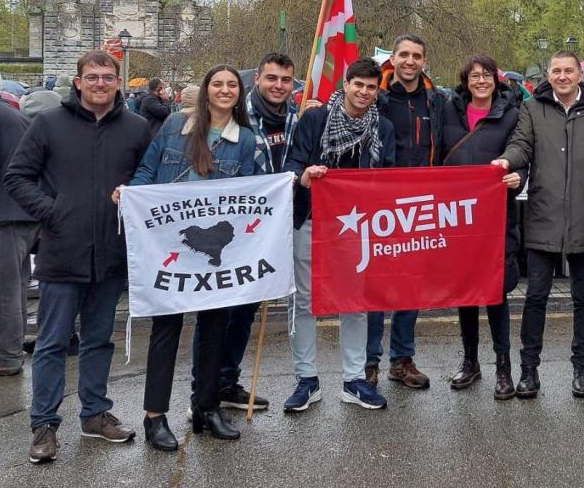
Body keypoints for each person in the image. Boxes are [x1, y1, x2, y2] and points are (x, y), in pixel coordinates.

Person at [5, 50, 150, 463]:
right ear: (78, 81)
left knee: (99, 339)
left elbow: (148, 180)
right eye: (93, 77)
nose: (100, 83)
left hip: (110, 253)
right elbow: (17, 176)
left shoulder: (136, 128)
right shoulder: (48, 124)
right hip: (61, 252)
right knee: (51, 343)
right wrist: (53, 211)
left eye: (108, 77)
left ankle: (95, 413)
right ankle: (44, 424)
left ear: (119, 82)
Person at [117, 64, 257, 451]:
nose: (225, 90)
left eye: (232, 85)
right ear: (206, 90)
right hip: (171, 246)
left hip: (216, 251)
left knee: (215, 328)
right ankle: (154, 417)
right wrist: (131, 195)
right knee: (167, 330)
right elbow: (147, 171)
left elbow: (249, 192)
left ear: (238, 93)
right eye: (218, 84)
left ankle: (206, 407)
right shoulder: (175, 126)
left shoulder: (244, 139)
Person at [186, 53, 301, 416]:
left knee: (247, 309)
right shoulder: (241, 116)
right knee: (219, 310)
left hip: (278, 223)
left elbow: (302, 154)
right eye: (272, 78)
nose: (278, 86)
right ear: (258, 81)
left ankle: (227, 381)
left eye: (285, 80)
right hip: (234, 227)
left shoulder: (299, 116)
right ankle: (203, 389)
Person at [282, 57, 395, 412]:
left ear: (377, 92)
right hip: (312, 220)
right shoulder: (314, 120)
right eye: (357, 85)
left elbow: (389, 175)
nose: (363, 92)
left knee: (355, 303)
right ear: (345, 84)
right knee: (304, 301)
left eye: (371, 87)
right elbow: (292, 164)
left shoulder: (384, 129)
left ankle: (354, 379)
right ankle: (306, 379)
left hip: (357, 227)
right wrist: (305, 176)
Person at [494, 50, 584, 399]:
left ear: (580, 74)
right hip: (543, 216)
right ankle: (529, 370)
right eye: (556, 71)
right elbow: (521, 146)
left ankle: (582, 369)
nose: (562, 76)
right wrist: (507, 162)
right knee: (536, 297)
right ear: (549, 75)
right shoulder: (533, 108)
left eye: (568, 70)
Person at [439, 54, 524, 400]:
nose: (480, 81)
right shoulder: (449, 112)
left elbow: (522, 153)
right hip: (458, 216)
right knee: (466, 293)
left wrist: (520, 175)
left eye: (486, 75)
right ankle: (470, 361)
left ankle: (503, 368)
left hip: (495, 215)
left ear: (495, 79)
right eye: (474, 76)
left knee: (496, 293)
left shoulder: (512, 115)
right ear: (465, 81)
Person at [366, 34, 446, 390]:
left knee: (410, 285)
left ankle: (402, 359)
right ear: (392, 59)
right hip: (380, 203)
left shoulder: (437, 101)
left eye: (416, 55)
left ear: (424, 61)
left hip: (421, 203)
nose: (409, 61)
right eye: (403, 55)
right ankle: (369, 362)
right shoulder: (376, 100)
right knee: (376, 287)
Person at [0, 65, 35, 377]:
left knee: (3, 288)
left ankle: (5, 356)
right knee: (14, 284)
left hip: (2, 213)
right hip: (22, 212)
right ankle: (12, 346)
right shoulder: (10, 112)